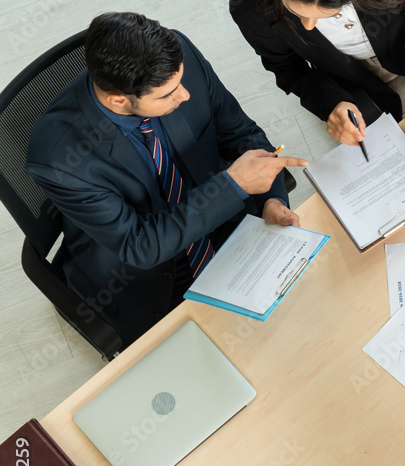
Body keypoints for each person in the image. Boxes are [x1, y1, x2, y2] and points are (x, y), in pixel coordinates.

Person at [26, 12, 307, 345]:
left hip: (221, 216)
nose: (184, 95)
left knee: (301, 318)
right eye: (167, 95)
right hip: (145, 273)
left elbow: (240, 133)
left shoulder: (177, 59)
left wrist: (271, 199)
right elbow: (139, 246)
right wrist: (234, 185)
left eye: (181, 82)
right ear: (118, 100)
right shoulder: (58, 158)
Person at [230, 0, 405, 171]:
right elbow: (286, 67)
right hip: (353, 74)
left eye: (323, 14)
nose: (306, 26)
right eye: (297, 11)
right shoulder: (249, 7)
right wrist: (332, 103)